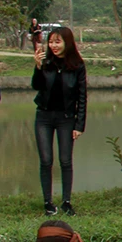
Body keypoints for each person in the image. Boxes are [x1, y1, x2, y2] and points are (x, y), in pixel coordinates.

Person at [31, 26, 86, 216]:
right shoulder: (46, 62)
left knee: (65, 160)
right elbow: (36, 86)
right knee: (46, 160)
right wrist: (38, 67)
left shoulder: (77, 65)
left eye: (57, 42)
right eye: (51, 42)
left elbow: (82, 96)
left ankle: (66, 202)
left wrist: (79, 125)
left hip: (66, 118)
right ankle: (47, 202)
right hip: (44, 117)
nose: (53, 46)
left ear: (67, 43)